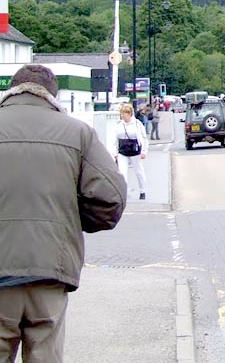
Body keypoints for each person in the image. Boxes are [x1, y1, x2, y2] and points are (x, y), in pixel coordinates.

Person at [0, 64, 126, 362]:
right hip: (50, 271)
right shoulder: (78, 133)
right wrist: (68, 220)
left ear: (11, 91)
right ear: (53, 97)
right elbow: (112, 198)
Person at [115, 102, 149, 200]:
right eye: (121, 114)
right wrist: (115, 152)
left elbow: (144, 138)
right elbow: (115, 138)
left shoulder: (137, 124)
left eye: (124, 114)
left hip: (135, 150)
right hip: (122, 151)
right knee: (122, 173)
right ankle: (123, 193)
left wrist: (144, 151)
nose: (122, 116)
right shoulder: (119, 124)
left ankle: (143, 191)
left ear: (129, 114)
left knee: (139, 171)